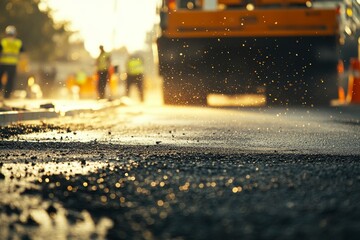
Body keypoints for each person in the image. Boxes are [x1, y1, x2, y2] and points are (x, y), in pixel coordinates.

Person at [0, 25, 25, 99]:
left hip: (3, 64)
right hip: (13, 65)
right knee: (10, 81)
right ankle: (6, 96)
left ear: (6, 33)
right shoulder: (18, 43)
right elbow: (23, 55)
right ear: (15, 33)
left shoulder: (3, 42)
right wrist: (22, 66)